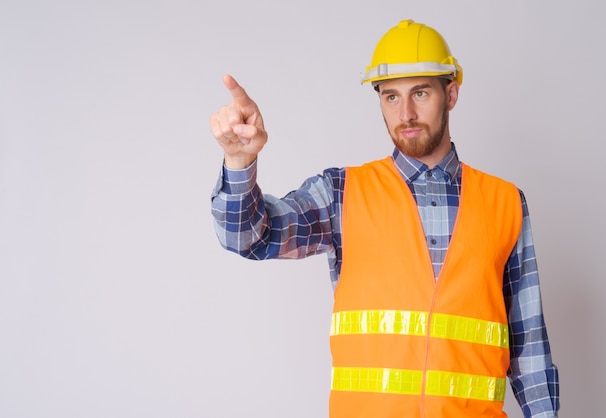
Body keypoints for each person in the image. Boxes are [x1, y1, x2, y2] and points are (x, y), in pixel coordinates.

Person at [210, 19, 559, 418]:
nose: (405, 113)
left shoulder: (506, 202)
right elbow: (250, 237)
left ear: (452, 93)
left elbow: (529, 347)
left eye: (421, 93)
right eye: (391, 97)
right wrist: (239, 160)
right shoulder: (340, 193)